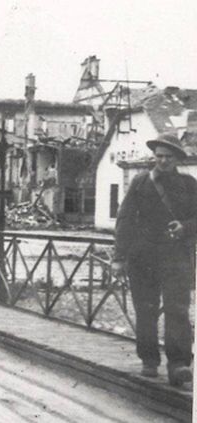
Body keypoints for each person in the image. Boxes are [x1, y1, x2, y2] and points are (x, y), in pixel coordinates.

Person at [112, 133, 196, 388]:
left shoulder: (190, 185)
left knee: (178, 310)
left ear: (177, 159)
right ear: (154, 157)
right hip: (142, 257)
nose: (163, 161)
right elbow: (125, 220)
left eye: (168, 157)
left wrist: (185, 226)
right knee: (146, 310)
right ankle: (149, 359)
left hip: (176, 256)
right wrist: (118, 258)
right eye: (159, 156)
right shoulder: (140, 183)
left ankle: (179, 365)